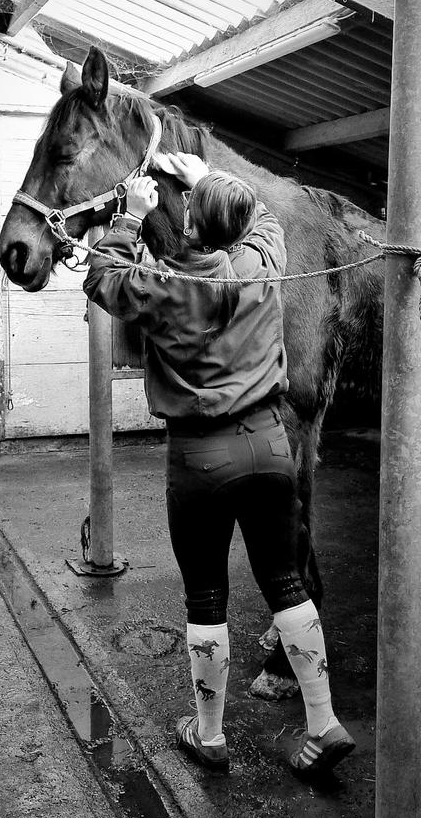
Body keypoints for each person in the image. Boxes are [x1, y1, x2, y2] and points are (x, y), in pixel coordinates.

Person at [83, 152, 355, 778]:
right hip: (267, 447)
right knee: (286, 587)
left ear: (193, 230)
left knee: (207, 599)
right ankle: (323, 721)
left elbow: (102, 274)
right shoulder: (262, 265)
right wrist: (207, 180)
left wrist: (134, 214)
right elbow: (268, 222)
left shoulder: (161, 288)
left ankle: (208, 735)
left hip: (200, 459)